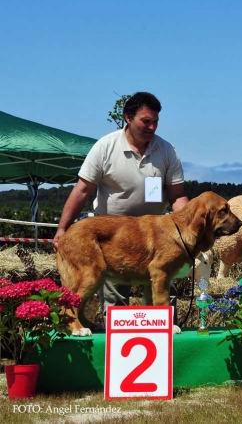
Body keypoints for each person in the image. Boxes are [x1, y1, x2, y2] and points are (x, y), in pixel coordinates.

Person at [53, 92, 189, 324]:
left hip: (155, 237)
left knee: (163, 287)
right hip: (113, 235)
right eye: (146, 121)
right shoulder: (105, 147)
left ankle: (164, 340)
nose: (152, 127)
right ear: (128, 117)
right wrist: (62, 228)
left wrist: (188, 234)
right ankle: (109, 341)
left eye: (155, 121)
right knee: (115, 300)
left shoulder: (167, 150)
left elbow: (177, 197)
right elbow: (82, 190)